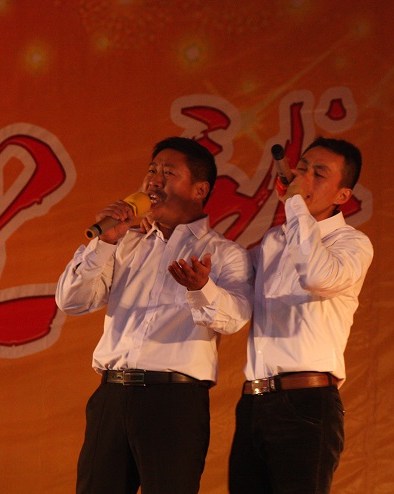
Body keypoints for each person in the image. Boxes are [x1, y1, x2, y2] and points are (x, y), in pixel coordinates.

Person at [56, 137, 254, 494]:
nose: (154, 180)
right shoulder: (124, 243)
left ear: (199, 190)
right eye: (151, 170)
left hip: (173, 401)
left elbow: (236, 317)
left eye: (168, 172)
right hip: (112, 394)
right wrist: (104, 242)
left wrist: (201, 288)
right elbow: (72, 300)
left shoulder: (224, 254)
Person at [228, 137, 374, 494]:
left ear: (343, 195)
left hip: (306, 401)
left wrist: (295, 203)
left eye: (319, 174)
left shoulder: (351, 244)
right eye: (302, 168)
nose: (304, 178)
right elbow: (234, 291)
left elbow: (316, 275)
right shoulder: (273, 241)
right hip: (254, 401)